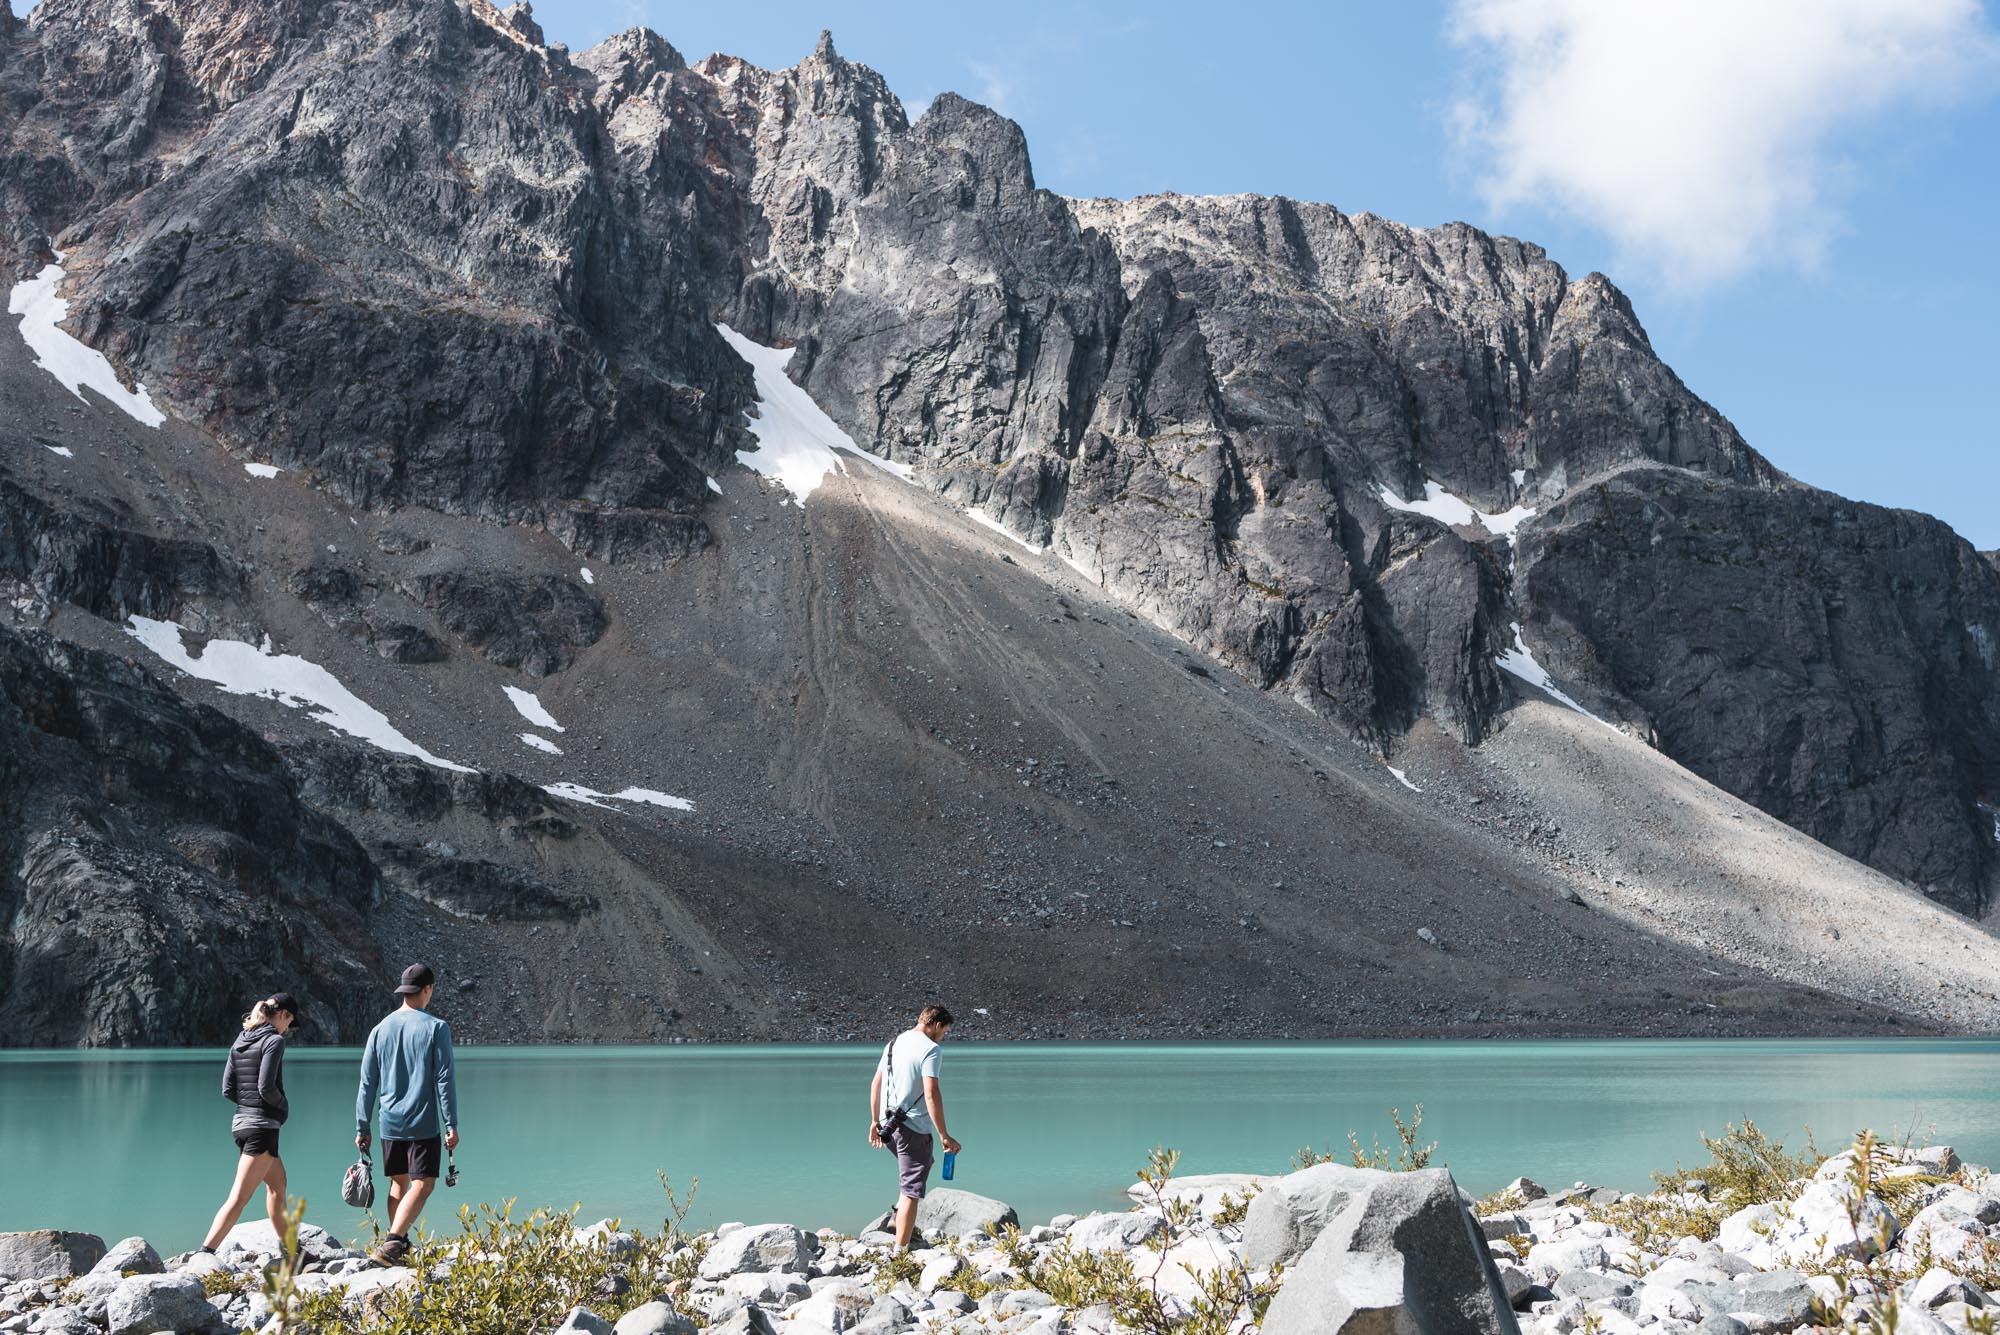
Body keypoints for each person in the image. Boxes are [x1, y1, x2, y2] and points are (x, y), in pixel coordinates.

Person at [354, 963, 459, 1265]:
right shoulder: (436, 1028)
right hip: (422, 1121)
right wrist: (451, 1122)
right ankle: (392, 1242)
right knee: (424, 1184)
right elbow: (444, 1079)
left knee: (398, 1183)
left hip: (388, 1121)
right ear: (427, 990)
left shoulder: (379, 1029)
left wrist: (362, 1125)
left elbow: (367, 1082)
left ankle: (399, 1245)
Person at [200, 993, 301, 1254]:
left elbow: (227, 1089)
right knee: (239, 1197)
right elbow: (266, 1087)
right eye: (290, 1022)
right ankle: (205, 1252)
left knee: (278, 1186)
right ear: (283, 1015)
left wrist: (248, 1105)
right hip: (262, 1129)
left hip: (241, 1125)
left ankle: (293, 1251)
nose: (288, 1029)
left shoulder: (240, 1040)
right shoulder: (273, 1041)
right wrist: (283, 1107)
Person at [867, 1004, 961, 1250]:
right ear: (937, 1025)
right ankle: (900, 1252)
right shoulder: (931, 1049)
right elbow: (931, 1092)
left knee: (919, 1167)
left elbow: (876, 1083)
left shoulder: (893, 1044)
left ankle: (897, 1218)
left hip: (887, 1126)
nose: (944, 1037)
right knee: (911, 1189)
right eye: (945, 1031)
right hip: (912, 1127)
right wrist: (944, 1135)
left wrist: (874, 1121)